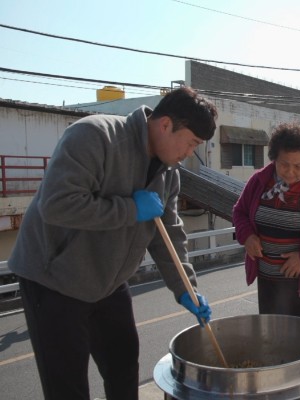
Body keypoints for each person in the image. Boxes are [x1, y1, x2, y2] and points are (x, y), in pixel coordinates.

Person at [8, 86, 217, 400]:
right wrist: (130, 209)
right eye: (191, 144)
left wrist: (186, 288)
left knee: (123, 370)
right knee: (68, 386)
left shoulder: (168, 173)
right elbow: (57, 204)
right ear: (165, 125)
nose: (189, 154)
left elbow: (168, 234)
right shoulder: (95, 136)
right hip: (55, 280)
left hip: (109, 282)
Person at [232, 122, 300, 319]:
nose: (290, 171)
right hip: (266, 278)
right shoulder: (258, 181)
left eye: (298, 166)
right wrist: (247, 236)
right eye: (284, 164)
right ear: (274, 158)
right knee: (269, 336)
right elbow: (239, 212)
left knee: (298, 341)